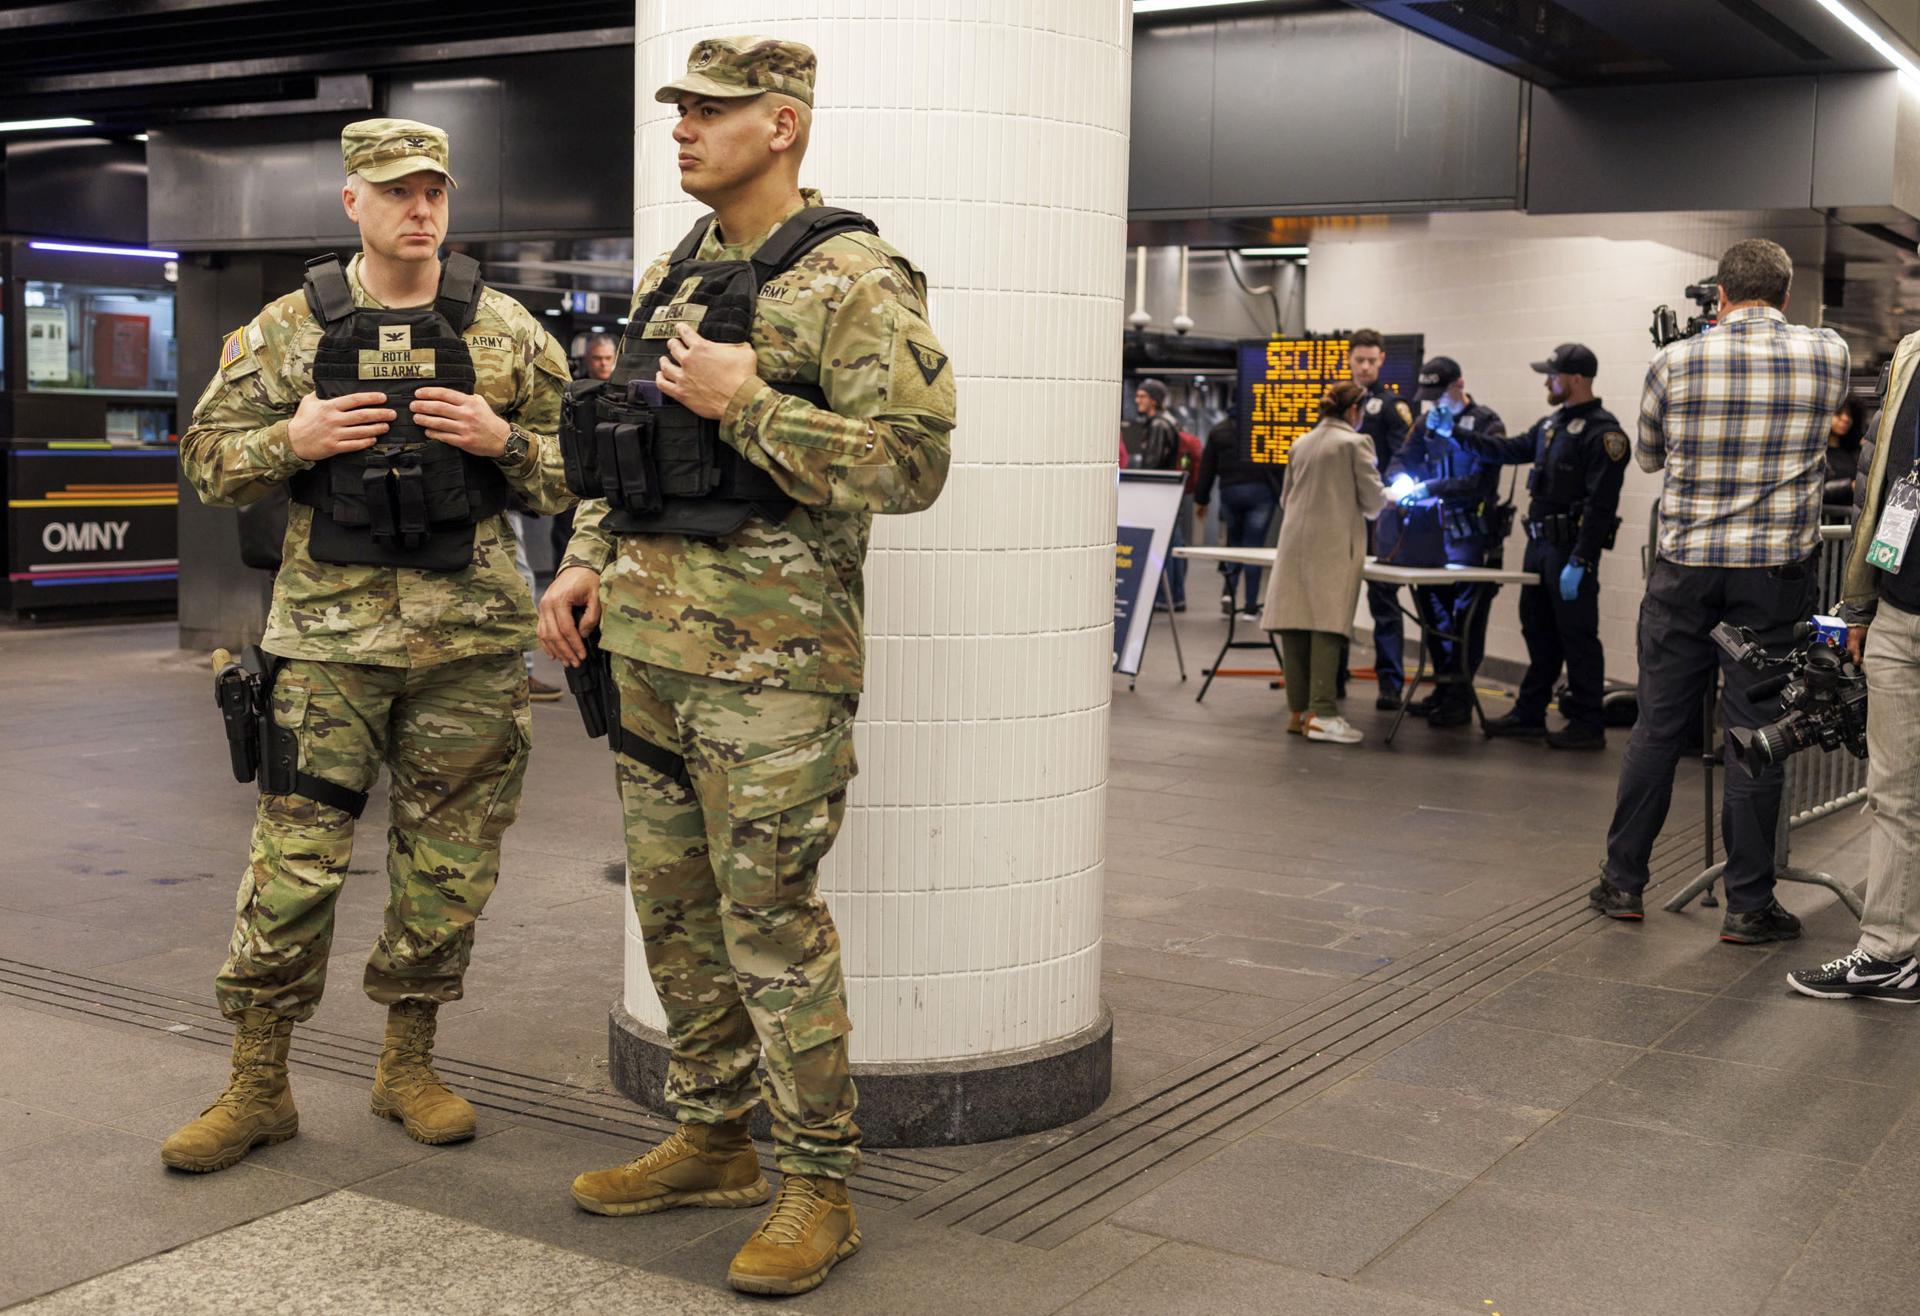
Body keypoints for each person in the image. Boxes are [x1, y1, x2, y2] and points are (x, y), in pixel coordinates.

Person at [536, 36, 954, 1296]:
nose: (682, 130)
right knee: (675, 914)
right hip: (650, 650)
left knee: (771, 923)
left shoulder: (853, 276)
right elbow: (630, 447)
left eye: (708, 113)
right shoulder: (679, 271)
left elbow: (915, 465)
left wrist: (748, 403)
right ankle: (715, 1137)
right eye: (679, 111)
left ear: (781, 125)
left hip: (773, 669)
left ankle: (817, 1182)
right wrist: (586, 555)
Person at [164, 119, 573, 1173]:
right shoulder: (289, 328)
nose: (419, 207)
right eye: (395, 190)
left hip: (472, 647)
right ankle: (259, 1082)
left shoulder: (508, 332)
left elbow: (585, 475)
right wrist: (288, 441)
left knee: (447, 869)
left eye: (434, 188)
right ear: (354, 200)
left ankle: (409, 1064)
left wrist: (504, 440)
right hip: (329, 647)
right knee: (292, 869)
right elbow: (209, 461)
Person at [1591, 238, 1848, 941]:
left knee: (1658, 724)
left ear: (1723, 294)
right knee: (1756, 733)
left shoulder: (1673, 361)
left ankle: (1623, 884)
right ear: (1787, 295)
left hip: (1685, 566)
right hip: (1773, 574)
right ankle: (1748, 904)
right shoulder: (1828, 352)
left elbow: (1648, 455)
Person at [1787, 325, 1920, 1000]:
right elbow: (1883, 484)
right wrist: (1862, 603)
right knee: (1893, 793)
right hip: (1901, 605)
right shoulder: (1911, 351)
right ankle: (1890, 949)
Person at [1472, 343, 1628, 751]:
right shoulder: (1550, 425)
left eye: (1553, 375)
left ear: (1575, 379)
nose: (1547, 381)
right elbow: (1507, 451)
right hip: (1540, 546)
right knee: (1536, 630)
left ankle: (1587, 721)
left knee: (1577, 636)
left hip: (1568, 550)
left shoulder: (1603, 432)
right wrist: (1456, 436)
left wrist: (1581, 558)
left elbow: (1600, 505)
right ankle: (1529, 712)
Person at [1261, 381, 1389, 744]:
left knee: (1295, 624)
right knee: (1327, 627)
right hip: (1333, 547)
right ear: (1354, 411)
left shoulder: (1300, 443)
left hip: (1293, 546)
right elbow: (1372, 501)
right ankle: (1324, 713)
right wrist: (1390, 494)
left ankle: (1299, 712)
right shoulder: (1355, 443)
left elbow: (1287, 498)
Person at [1388, 356, 1507, 728]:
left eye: (1440, 394)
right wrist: (1400, 482)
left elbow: (1480, 483)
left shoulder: (1488, 424)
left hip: (1472, 536)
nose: (1434, 403)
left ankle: (1460, 696)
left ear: (1459, 385)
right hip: (1431, 539)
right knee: (1433, 617)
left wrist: (1430, 487)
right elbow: (1399, 461)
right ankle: (1443, 687)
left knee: (1465, 621)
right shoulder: (1424, 423)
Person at [1348, 329, 1413, 708]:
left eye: (1373, 360)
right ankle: (1334, 673)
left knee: (1383, 601)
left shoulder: (1391, 406)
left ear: (1382, 361)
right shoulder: (1340, 401)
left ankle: (1390, 684)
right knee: (1337, 597)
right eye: (1360, 360)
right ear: (1350, 361)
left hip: (1380, 517)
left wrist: (1389, 495)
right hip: (1345, 516)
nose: (1367, 366)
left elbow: (1404, 453)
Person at [1193, 406, 1281, 617]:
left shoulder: (1219, 430)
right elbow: (1279, 464)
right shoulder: (1264, 427)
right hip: (1261, 492)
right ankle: (1250, 606)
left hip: (1230, 491)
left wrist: (1201, 499)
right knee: (1254, 549)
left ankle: (1228, 595)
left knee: (1233, 545)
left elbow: (1207, 468)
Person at [550, 333, 619, 567]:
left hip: (615, 473)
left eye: (608, 358)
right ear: (588, 359)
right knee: (566, 536)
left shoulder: (625, 389)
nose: (603, 363)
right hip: (578, 472)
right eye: (598, 358)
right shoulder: (573, 391)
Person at [1135, 378, 1188, 610]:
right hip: (1170, 491)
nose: (1138, 400)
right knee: (1172, 542)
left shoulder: (1158, 425)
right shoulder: (1171, 422)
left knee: (1162, 545)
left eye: (1143, 396)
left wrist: (1144, 491)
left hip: (1159, 492)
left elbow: (1153, 463)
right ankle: (1176, 596)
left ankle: (1163, 598)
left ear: (1154, 400)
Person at [1823, 394, 1866, 519]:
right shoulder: (1816, 453)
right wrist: (1849, 486)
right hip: (1826, 526)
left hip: (1848, 526)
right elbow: (1816, 491)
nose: (1845, 419)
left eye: (1850, 415)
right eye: (1838, 413)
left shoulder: (1854, 452)